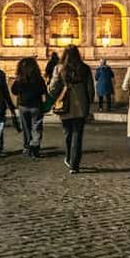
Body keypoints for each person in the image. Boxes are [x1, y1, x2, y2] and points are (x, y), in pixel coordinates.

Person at [48, 45, 95, 174]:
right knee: (77, 135)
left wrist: (53, 94)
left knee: (68, 133)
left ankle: (69, 157)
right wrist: (89, 102)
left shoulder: (59, 68)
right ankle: (75, 164)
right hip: (81, 105)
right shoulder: (84, 68)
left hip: (65, 105)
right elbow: (90, 89)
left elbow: (53, 88)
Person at [11, 57, 47, 158]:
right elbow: (43, 91)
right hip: (36, 105)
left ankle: (27, 146)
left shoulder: (19, 79)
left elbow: (14, 90)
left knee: (26, 127)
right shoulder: (38, 78)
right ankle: (35, 146)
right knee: (36, 127)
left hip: (23, 105)